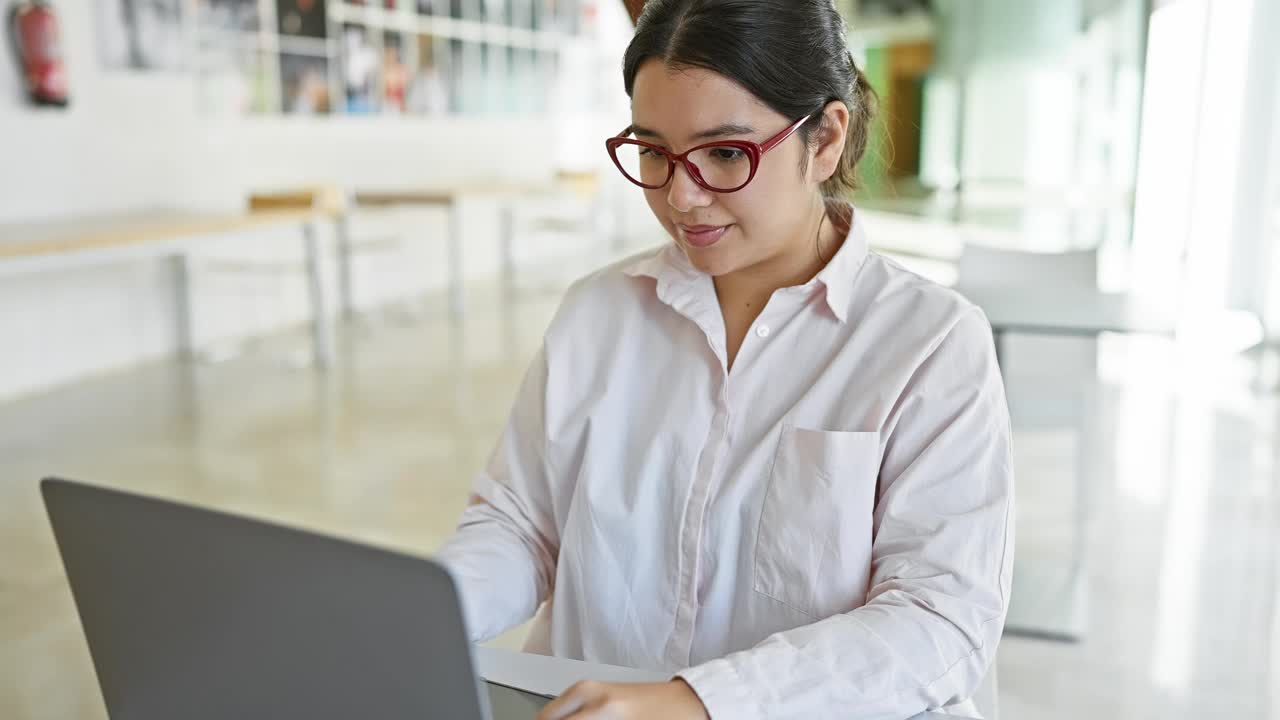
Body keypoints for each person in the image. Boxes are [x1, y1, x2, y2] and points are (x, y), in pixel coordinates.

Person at [438, 1, 1014, 718]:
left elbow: (938, 621)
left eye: (725, 154)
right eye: (653, 151)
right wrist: (420, 618)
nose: (682, 196)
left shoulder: (927, 344)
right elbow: (523, 526)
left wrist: (697, 702)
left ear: (826, 140)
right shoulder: (599, 313)